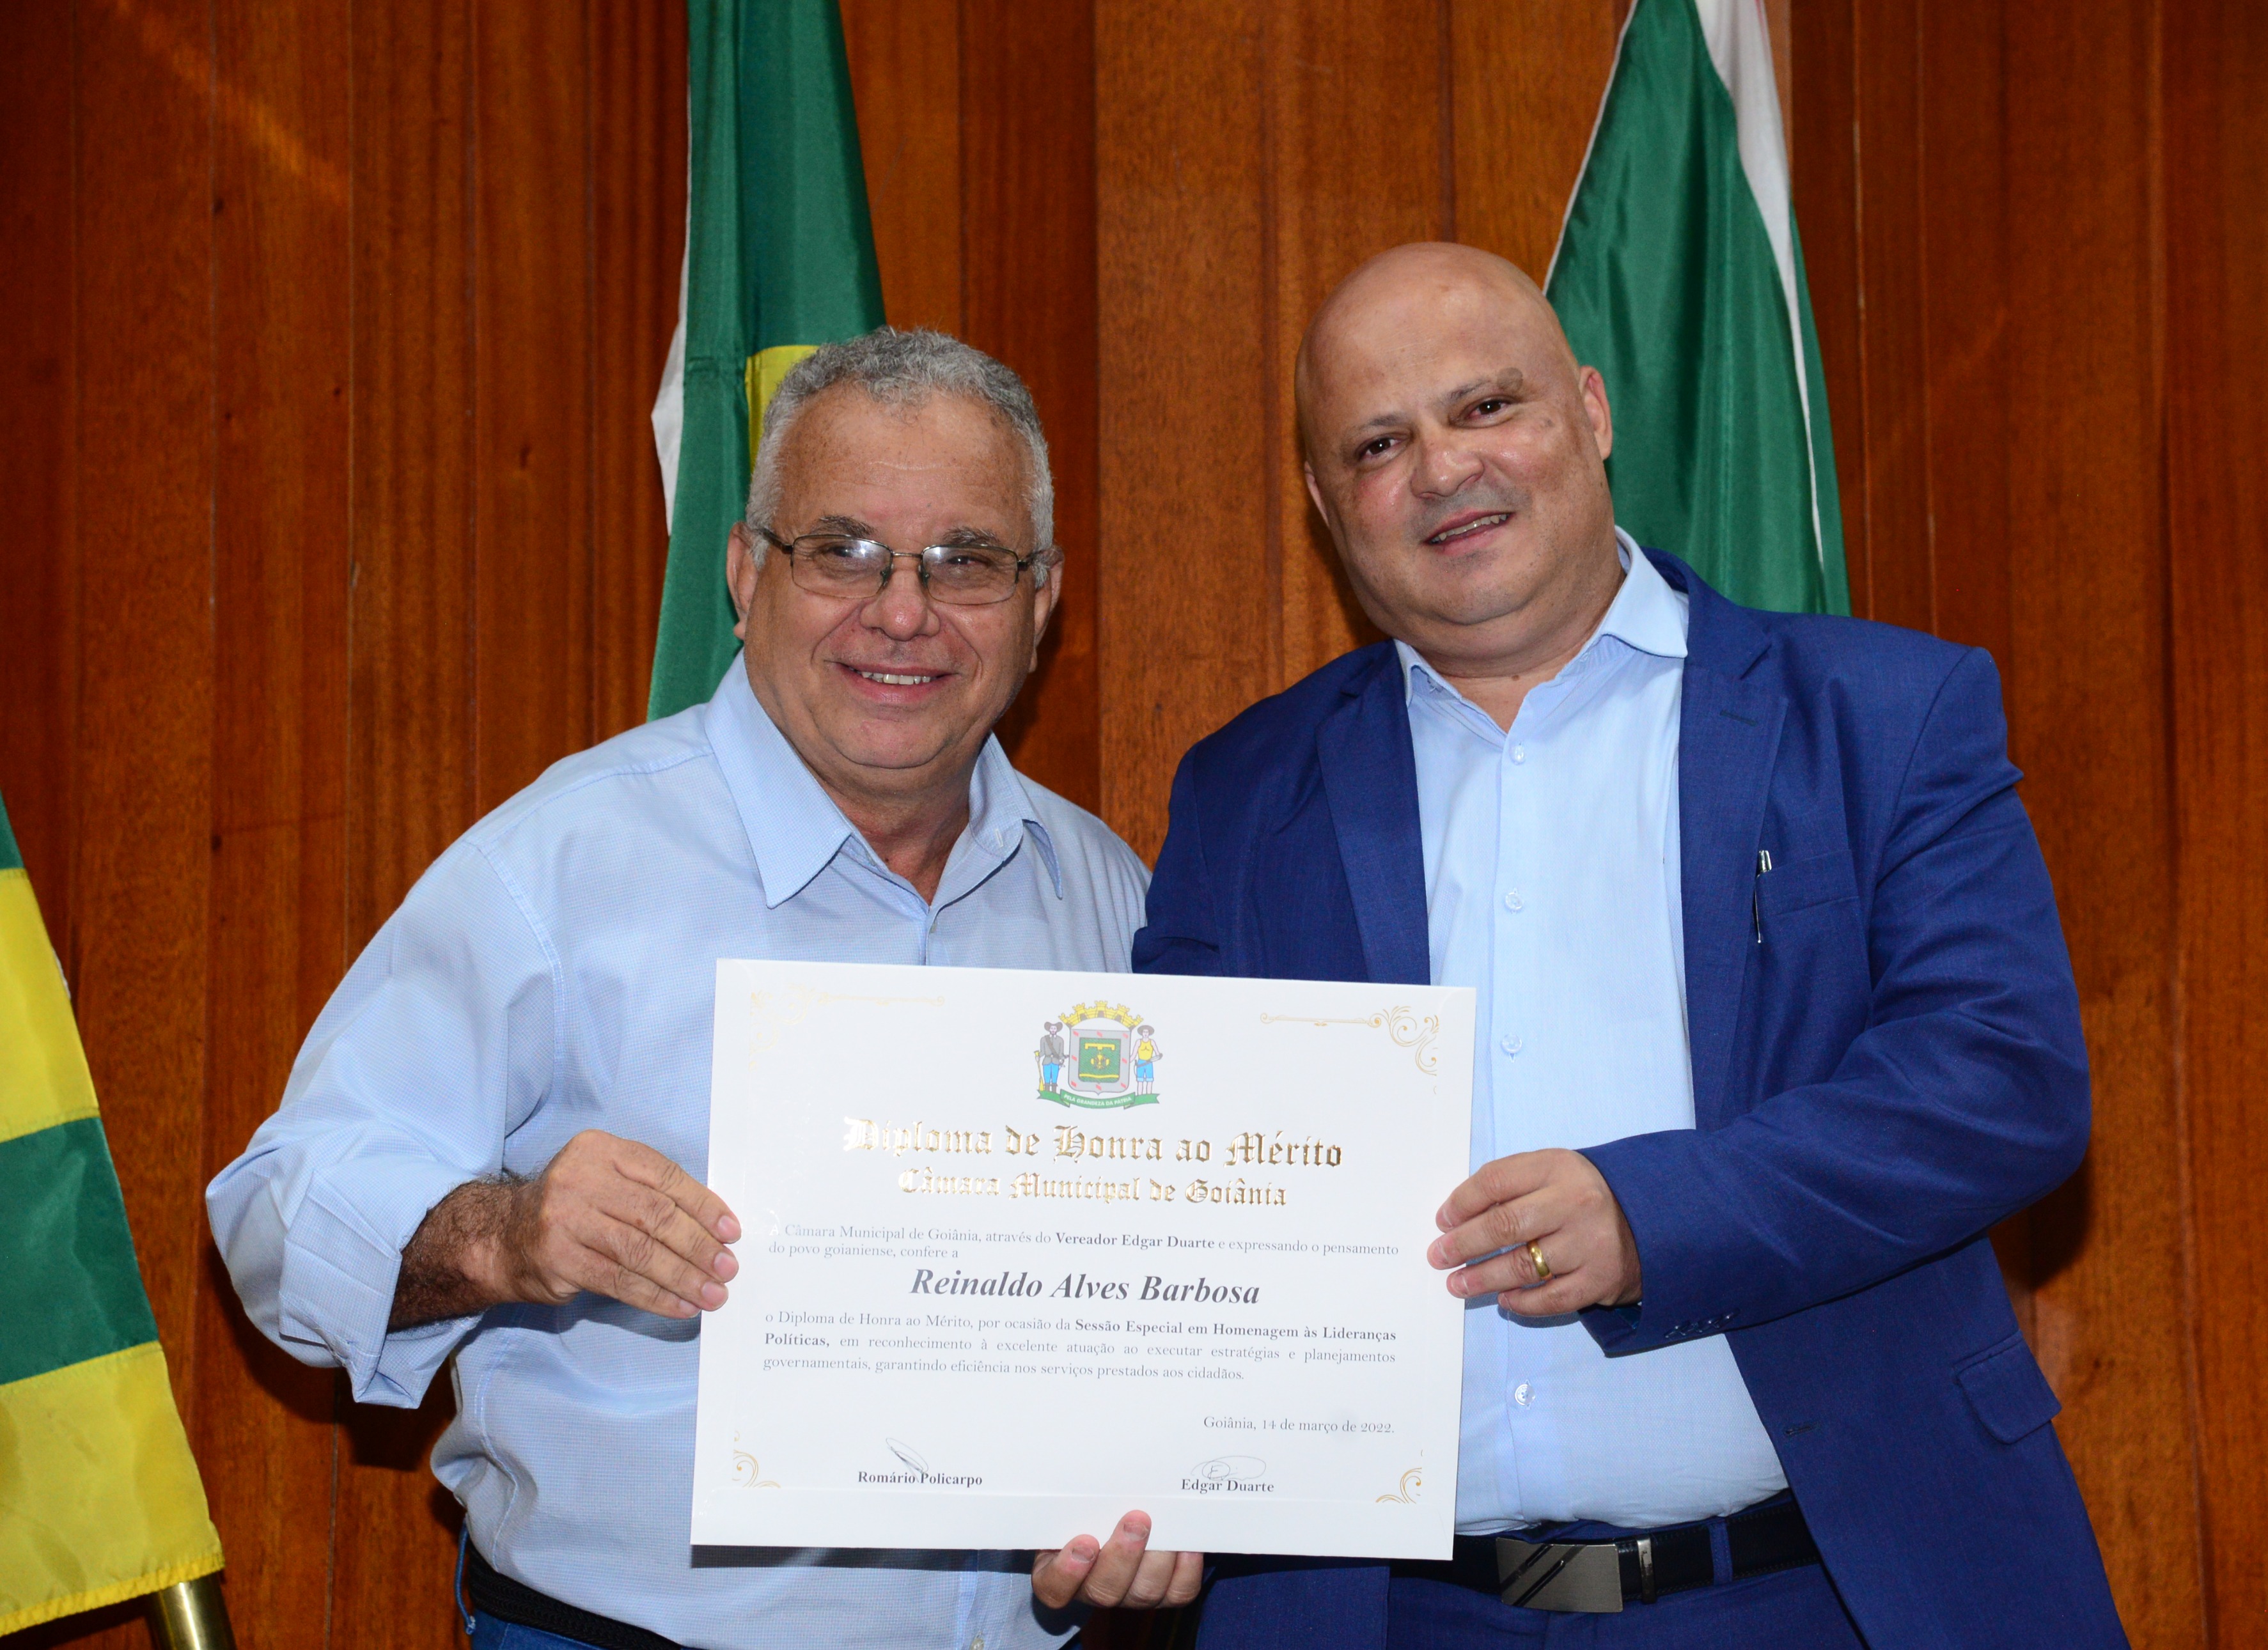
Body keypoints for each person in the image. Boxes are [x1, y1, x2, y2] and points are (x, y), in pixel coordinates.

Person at [1135, 245, 2127, 1647]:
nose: (1443, 468)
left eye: (1487, 406)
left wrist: (1653, 1214)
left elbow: (2002, 1079)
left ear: (1591, 412)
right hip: (1387, 1615)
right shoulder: (1243, 789)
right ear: (1322, 498)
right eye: (1378, 443)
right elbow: (1173, 1183)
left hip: (1825, 1595)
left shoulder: (1881, 712)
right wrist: (1109, 1453)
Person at [209, 329, 1200, 1649]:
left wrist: (1165, 1488)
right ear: (745, 573)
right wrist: (508, 1234)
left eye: (966, 560)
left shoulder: (1110, 897)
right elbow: (274, 1218)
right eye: (843, 549)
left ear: (1042, 601)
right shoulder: (558, 867)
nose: (903, 610)